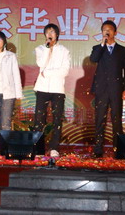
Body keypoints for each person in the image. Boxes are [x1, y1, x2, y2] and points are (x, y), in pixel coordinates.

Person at [90, 19, 125, 158]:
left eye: (110, 30)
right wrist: (102, 44)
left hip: (116, 89)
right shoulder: (98, 48)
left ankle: (118, 149)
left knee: (116, 119)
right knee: (99, 119)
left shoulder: (122, 50)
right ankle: (98, 149)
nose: (107, 32)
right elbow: (93, 59)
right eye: (104, 30)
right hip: (101, 89)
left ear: (115, 32)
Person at [34, 23, 71, 159]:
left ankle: (54, 148)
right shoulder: (40, 49)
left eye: (52, 32)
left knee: (57, 119)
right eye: (47, 32)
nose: (50, 34)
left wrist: (47, 72)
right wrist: (47, 49)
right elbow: (41, 64)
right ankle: (38, 148)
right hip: (42, 88)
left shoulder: (64, 51)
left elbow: (65, 71)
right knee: (39, 119)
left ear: (57, 34)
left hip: (58, 89)